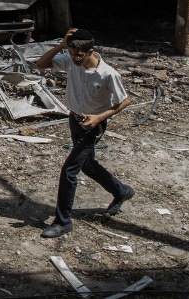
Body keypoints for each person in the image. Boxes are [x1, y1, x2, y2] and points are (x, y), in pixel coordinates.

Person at [35, 28, 135, 238]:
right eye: (72, 54)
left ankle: (63, 221)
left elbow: (124, 101)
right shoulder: (71, 60)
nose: (75, 58)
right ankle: (121, 191)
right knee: (87, 165)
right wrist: (62, 45)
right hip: (75, 119)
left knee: (70, 170)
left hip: (93, 125)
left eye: (79, 54)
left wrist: (99, 118)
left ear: (91, 51)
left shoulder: (108, 73)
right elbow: (41, 64)